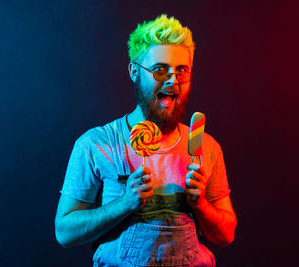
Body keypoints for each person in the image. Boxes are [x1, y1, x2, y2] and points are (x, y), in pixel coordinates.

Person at [55, 14, 237, 266]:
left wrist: (201, 204)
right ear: (134, 71)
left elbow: (226, 235)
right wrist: (124, 204)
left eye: (181, 71)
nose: (172, 80)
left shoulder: (206, 147)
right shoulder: (95, 144)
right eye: (160, 69)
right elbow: (65, 233)